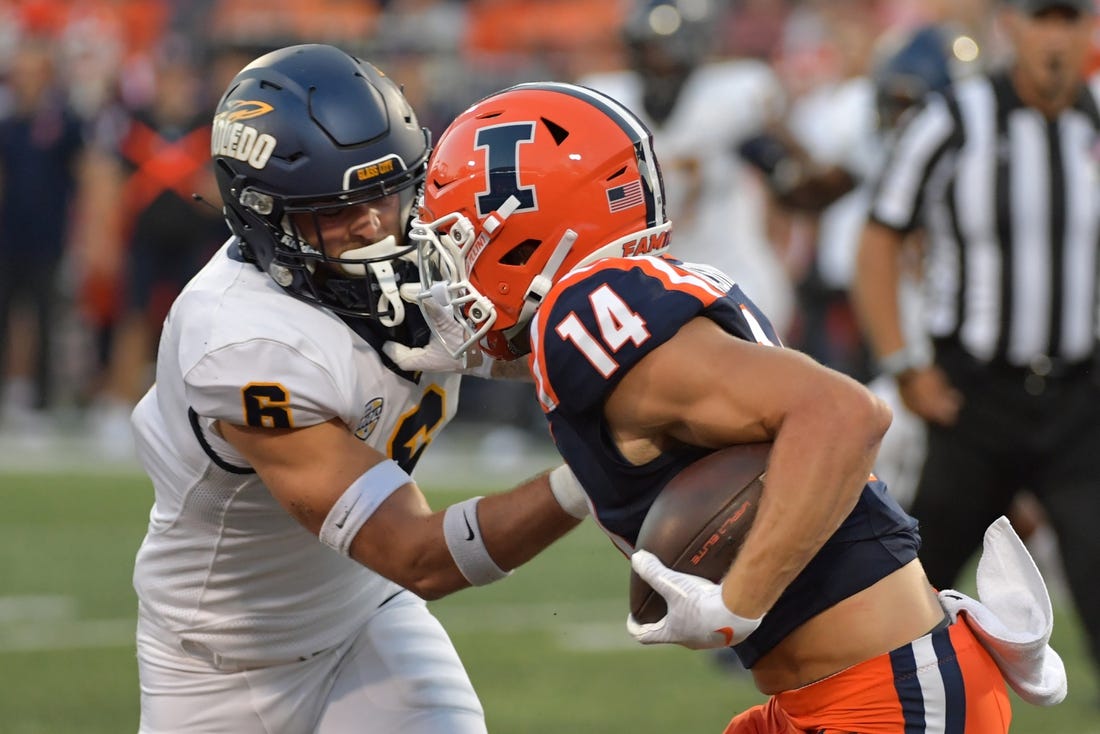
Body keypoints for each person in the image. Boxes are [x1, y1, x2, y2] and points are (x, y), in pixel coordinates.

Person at [394, 80, 1067, 732]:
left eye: (455, 240)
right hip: (842, 689)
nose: (445, 267)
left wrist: (736, 605)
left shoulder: (587, 313)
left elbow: (845, 414)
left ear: (526, 229)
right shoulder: (617, 301)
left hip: (887, 695)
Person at [129, 44, 589, 734]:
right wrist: (590, 476)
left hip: (366, 614)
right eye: (336, 211)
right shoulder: (243, 340)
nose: (375, 225)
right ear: (265, 216)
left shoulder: (425, 245)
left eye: (387, 192)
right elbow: (417, 555)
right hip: (219, 664)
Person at [853, 0, 1100, 703]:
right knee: (914, 574)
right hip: (974, 396)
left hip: (1081, 395)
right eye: (1041, 19)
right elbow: (879, 239)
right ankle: (862, 698)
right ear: (1012, 29)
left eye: (1070, 19)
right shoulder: (953, 120)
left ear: (1089, 30)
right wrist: (905, 362)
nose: (1055, 38)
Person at [0, 34, 85, 422]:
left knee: (44, 314)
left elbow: (83, 176)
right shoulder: (8, 122)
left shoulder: (64, 122)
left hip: (48, 236)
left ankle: (43, 401)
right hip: (7, 235)